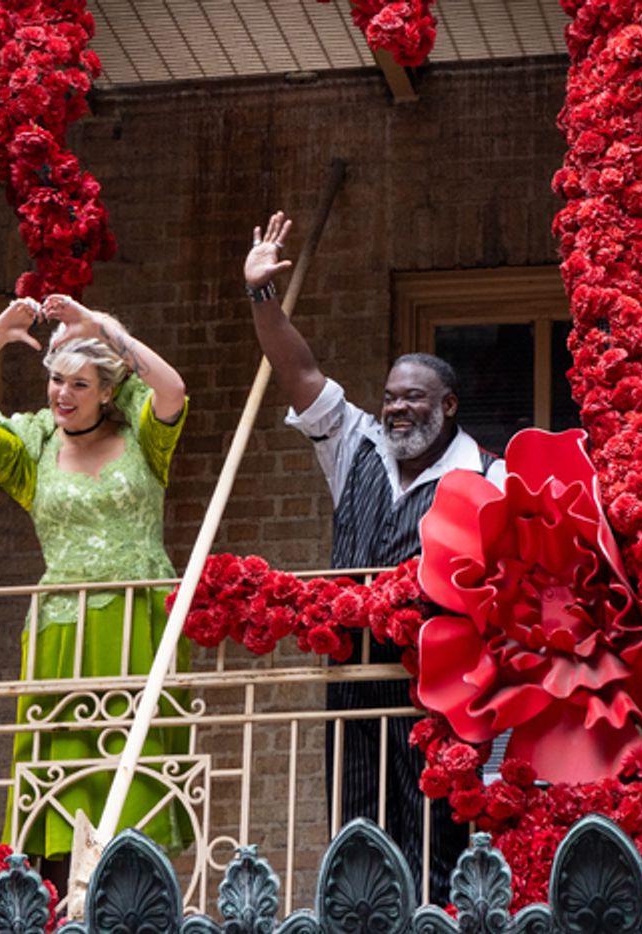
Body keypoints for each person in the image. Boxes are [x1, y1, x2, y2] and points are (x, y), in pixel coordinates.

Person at [243, 211, 505, 901]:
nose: (395, 410)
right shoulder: (352, 443)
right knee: (359, 831)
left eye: (413, 398)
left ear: (447, 405)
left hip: (438, 686)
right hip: (354, 679)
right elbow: (295, 367)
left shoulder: (488, 473)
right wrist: (261, 296)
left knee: (436, 834)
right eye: (390, 398)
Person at [0, 294, 190, 872]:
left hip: (140, 621)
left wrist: (98, 325)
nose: (61, 395)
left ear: (107, 389)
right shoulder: (33, 448)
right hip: (60, 635)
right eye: (55, 380)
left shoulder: (147, 439)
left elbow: (171, 389)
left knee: (136, 772)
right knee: (63, 773)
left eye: (78, 384)